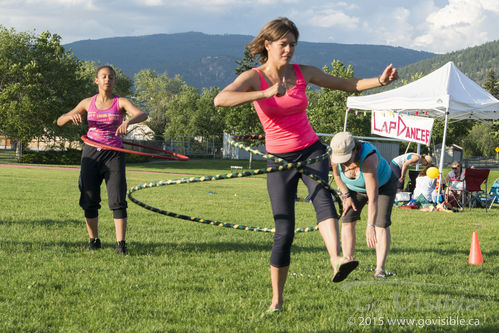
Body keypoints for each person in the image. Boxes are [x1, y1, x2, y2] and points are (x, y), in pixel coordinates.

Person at [213, 17, 398, 313]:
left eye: (293, 45)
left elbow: (346, 84)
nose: (289, 50)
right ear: (268, 45)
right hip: (278, 158)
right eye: (283, 44)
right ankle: (277, 300)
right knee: (284, 230)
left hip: (311, 150)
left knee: (323, 199)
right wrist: (264, 94)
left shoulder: (303, 73)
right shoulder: (255, 77)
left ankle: (336, 259)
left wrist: (379, 81)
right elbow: (220, 100)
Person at [57, 65, 148, 255]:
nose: (108, 79)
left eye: (111, 77)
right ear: (96, 80)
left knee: (117, 199)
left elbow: (142, 114)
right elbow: (59, 121)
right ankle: (94, 240)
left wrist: (127, 121)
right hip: (91, 154)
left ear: (115, 81)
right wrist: (69, 116)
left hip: (113, 154)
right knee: (89, 199)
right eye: (104, 76)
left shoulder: (120, 102)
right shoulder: (86, 103)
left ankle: (120, 244)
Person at [330, 132, 398, 279]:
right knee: (347, 219)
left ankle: (380, 269)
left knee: (381, 225)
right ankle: (348, 261)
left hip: (383, 186)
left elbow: (372, 197)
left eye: (347, 158)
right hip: (354, 190)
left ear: (355, 150)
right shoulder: (335, 157)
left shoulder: (368, 158)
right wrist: (346, 195)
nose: (344, 162)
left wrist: (370, 226)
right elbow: (336, 176)